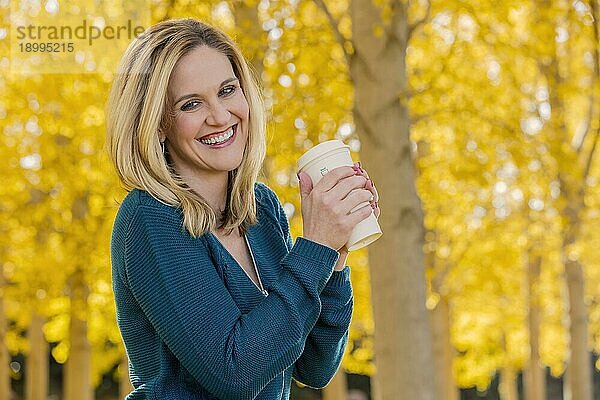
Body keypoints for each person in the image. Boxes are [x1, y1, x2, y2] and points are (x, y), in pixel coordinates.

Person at [105, 18, 380, 400]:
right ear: (158, 124)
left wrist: (333, 253)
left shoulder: (262, 209)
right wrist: (314, 247)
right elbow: (233, 372)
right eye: (191, 104)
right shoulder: (150, 217)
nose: (219, 116)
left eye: (227, 90)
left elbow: (314, 366)